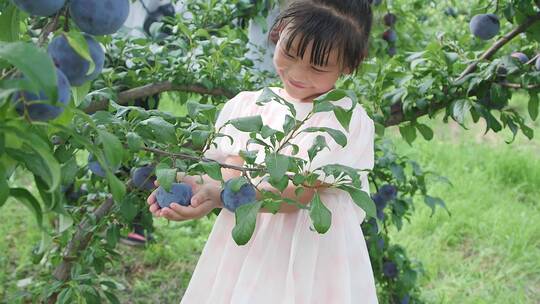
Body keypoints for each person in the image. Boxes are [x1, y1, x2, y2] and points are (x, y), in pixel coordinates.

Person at [147, 0, 378, 302]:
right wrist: (206, 188)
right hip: (247, 248)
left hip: (313, 258)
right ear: (279, 32)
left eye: (317, 66)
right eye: (289, 53)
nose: (297, 73)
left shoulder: (345, 120)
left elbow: (301, 193)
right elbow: (234, 168)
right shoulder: (249, 106)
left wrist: (224, 195)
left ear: (350, 63)